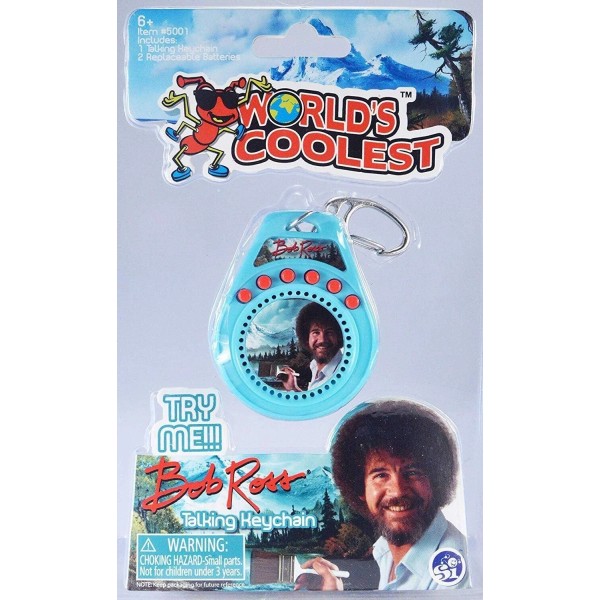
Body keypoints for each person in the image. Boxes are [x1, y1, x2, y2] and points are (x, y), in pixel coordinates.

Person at [296, 399, 469, 591]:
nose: (398, 490)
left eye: (412, 472)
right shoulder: (383, 550)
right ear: (360, 488)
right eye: (381, 475)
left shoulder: (456, 568)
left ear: (436, 479)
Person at [280, 303, 343, 391]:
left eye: (329, 333)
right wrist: (294, 388)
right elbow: (318, 400)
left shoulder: (344, 374)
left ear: (339, 336)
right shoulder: (314, 366)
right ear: (307, 338)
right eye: (316, 332)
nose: (322, 340)